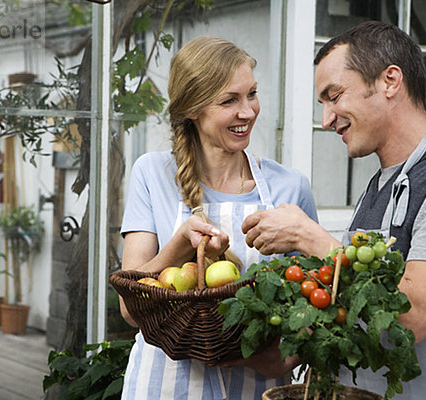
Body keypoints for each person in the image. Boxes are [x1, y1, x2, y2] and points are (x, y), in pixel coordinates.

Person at [242, 21, 426, 399]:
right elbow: (348, 315)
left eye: (334, 95)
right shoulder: (375, 191)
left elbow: (412, 316)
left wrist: (308, 237)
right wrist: (242, 343)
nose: (327, 119)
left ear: (390, 81)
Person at [118, 36, 318, 399]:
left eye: (252, 94)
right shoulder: (153, 174)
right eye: (229, 100)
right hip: (165, 386)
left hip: (257, 386)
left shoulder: (290, 187)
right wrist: (178, 247)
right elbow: (131, 310)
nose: (248, 112)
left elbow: (313, 300)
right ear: (192, 108)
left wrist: (286, 357)